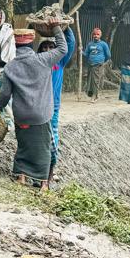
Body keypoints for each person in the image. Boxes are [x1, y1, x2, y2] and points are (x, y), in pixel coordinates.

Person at [0, 26, 69, 190]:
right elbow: (64, 48)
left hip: (21, 115)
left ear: (15, 45)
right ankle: (43, 183)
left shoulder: (10, 67)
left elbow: (5, 94)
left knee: (24, 145)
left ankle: (21, 177)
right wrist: (57, 28)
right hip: (41, 115)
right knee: (43, 148)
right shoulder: (43, 59)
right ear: (32, 43)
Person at [37, 25, 76, 182]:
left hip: (53, 107)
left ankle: (51, 169)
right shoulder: (37, 63)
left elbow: (70, 43)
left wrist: (63, 27)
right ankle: (37, 170)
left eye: (51, 47)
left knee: (52, 136)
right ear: (40, 50)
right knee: (38, 139)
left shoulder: (60, 62)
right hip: (38, 107)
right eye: (44, 47)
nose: (48, 50)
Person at [82, 27, 111, 102]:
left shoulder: (103, 44)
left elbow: (108, 55)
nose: (96, 36)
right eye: (94, 34)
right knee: (90, 80)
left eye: (97, 34)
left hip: (98, 65)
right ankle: (92, 94)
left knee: (96, 80)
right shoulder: (90, 44)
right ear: (92, 35)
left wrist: (102, 61)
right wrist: (81, 51)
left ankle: (95, 96)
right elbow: (86, 54)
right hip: (90, 64)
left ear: (100, 35)